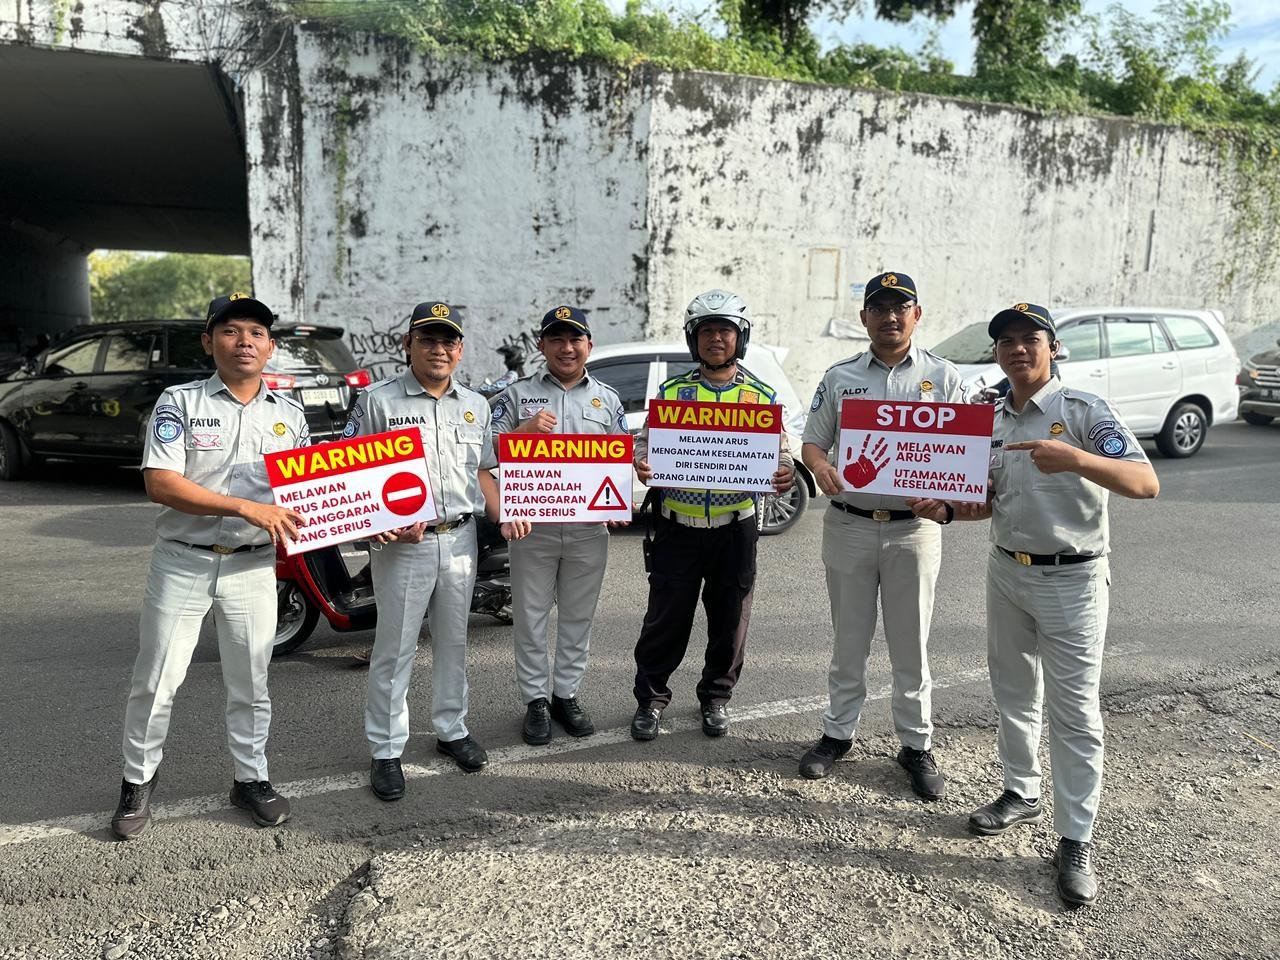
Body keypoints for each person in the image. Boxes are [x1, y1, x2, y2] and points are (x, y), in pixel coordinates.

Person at [907, 301, 1159, 908]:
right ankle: (1021, 791)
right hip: (1007, 571)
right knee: (1014, 693)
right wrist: (945, 508)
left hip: (1072, 579)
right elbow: (987, 498)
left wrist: (1078, 459)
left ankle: (1076, 840)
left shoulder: (1082, 411)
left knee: (1075, 714)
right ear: (997, 353)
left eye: (1030, 339)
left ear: (1052, 349)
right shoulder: (986, 417)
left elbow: (1145, 483)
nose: (1018, 350)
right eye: (1007, 342)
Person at [111, 293, 309, 840]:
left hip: (253, 567)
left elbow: (310, 494)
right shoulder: (181, 402)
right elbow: (160, 483)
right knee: (156, 679)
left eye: (256, 332)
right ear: (208, 342)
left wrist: (374, 516)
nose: (244, 341)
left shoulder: (290, 417)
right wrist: (244, 505)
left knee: (252, 681)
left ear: (270, 347)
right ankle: (137, 780)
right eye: (230, 331)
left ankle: (251, 779)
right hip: (184, 563)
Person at [349, 301, 530, 800]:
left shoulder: (475, 405)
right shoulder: (377, 402)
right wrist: (376, 524)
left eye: (448, 341)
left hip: (461, 538)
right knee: (396, 646)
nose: (439, 349)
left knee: (454, 641)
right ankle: (386, 749)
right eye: (428, 339)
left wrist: (508, 509)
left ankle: (452, 729)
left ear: (460, 350)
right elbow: (347, 474)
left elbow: (485, 469)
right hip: (405, 546)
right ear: (407, 345)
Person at [797, 271, 965, 801]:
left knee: (911, 646)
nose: (891, 317)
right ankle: (837, 734)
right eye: (880, 308)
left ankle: (915, 745)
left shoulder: (947, 378)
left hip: (913, 531)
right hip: (849, 523)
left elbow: (965, 454)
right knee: (849, 641)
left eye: (901, 307)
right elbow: (813, 442)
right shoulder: (841, 377)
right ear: (864, 317)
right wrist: (821, 467)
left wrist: (948, 498)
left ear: (918, 315)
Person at [630, 289, 794, 741]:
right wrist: (641, 463)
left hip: (734, 529)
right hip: (676, 527)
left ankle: (716, 698)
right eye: (706, 331)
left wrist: (782, 472)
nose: (716, 339)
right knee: (666, 618)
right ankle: (650, 699)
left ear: (740, 338)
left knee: (729, 621)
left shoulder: (759, 396)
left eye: (725, 331)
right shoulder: (673, 392)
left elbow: (782, 454)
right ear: (693, 339)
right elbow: (646, 443)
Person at [491, 306, 628, 745]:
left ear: (589, 345)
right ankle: (535, 700)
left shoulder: (607, 399)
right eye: (556, 340)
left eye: (575, 340)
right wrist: (524, 431)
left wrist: (621, 495)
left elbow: (620, 457)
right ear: (541, 346)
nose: (566, 348)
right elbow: (483, 450)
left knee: (577, 616)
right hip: (533, 527)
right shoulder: (516, 396)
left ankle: (565, 693)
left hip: (589, 527)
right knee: (530, 617)